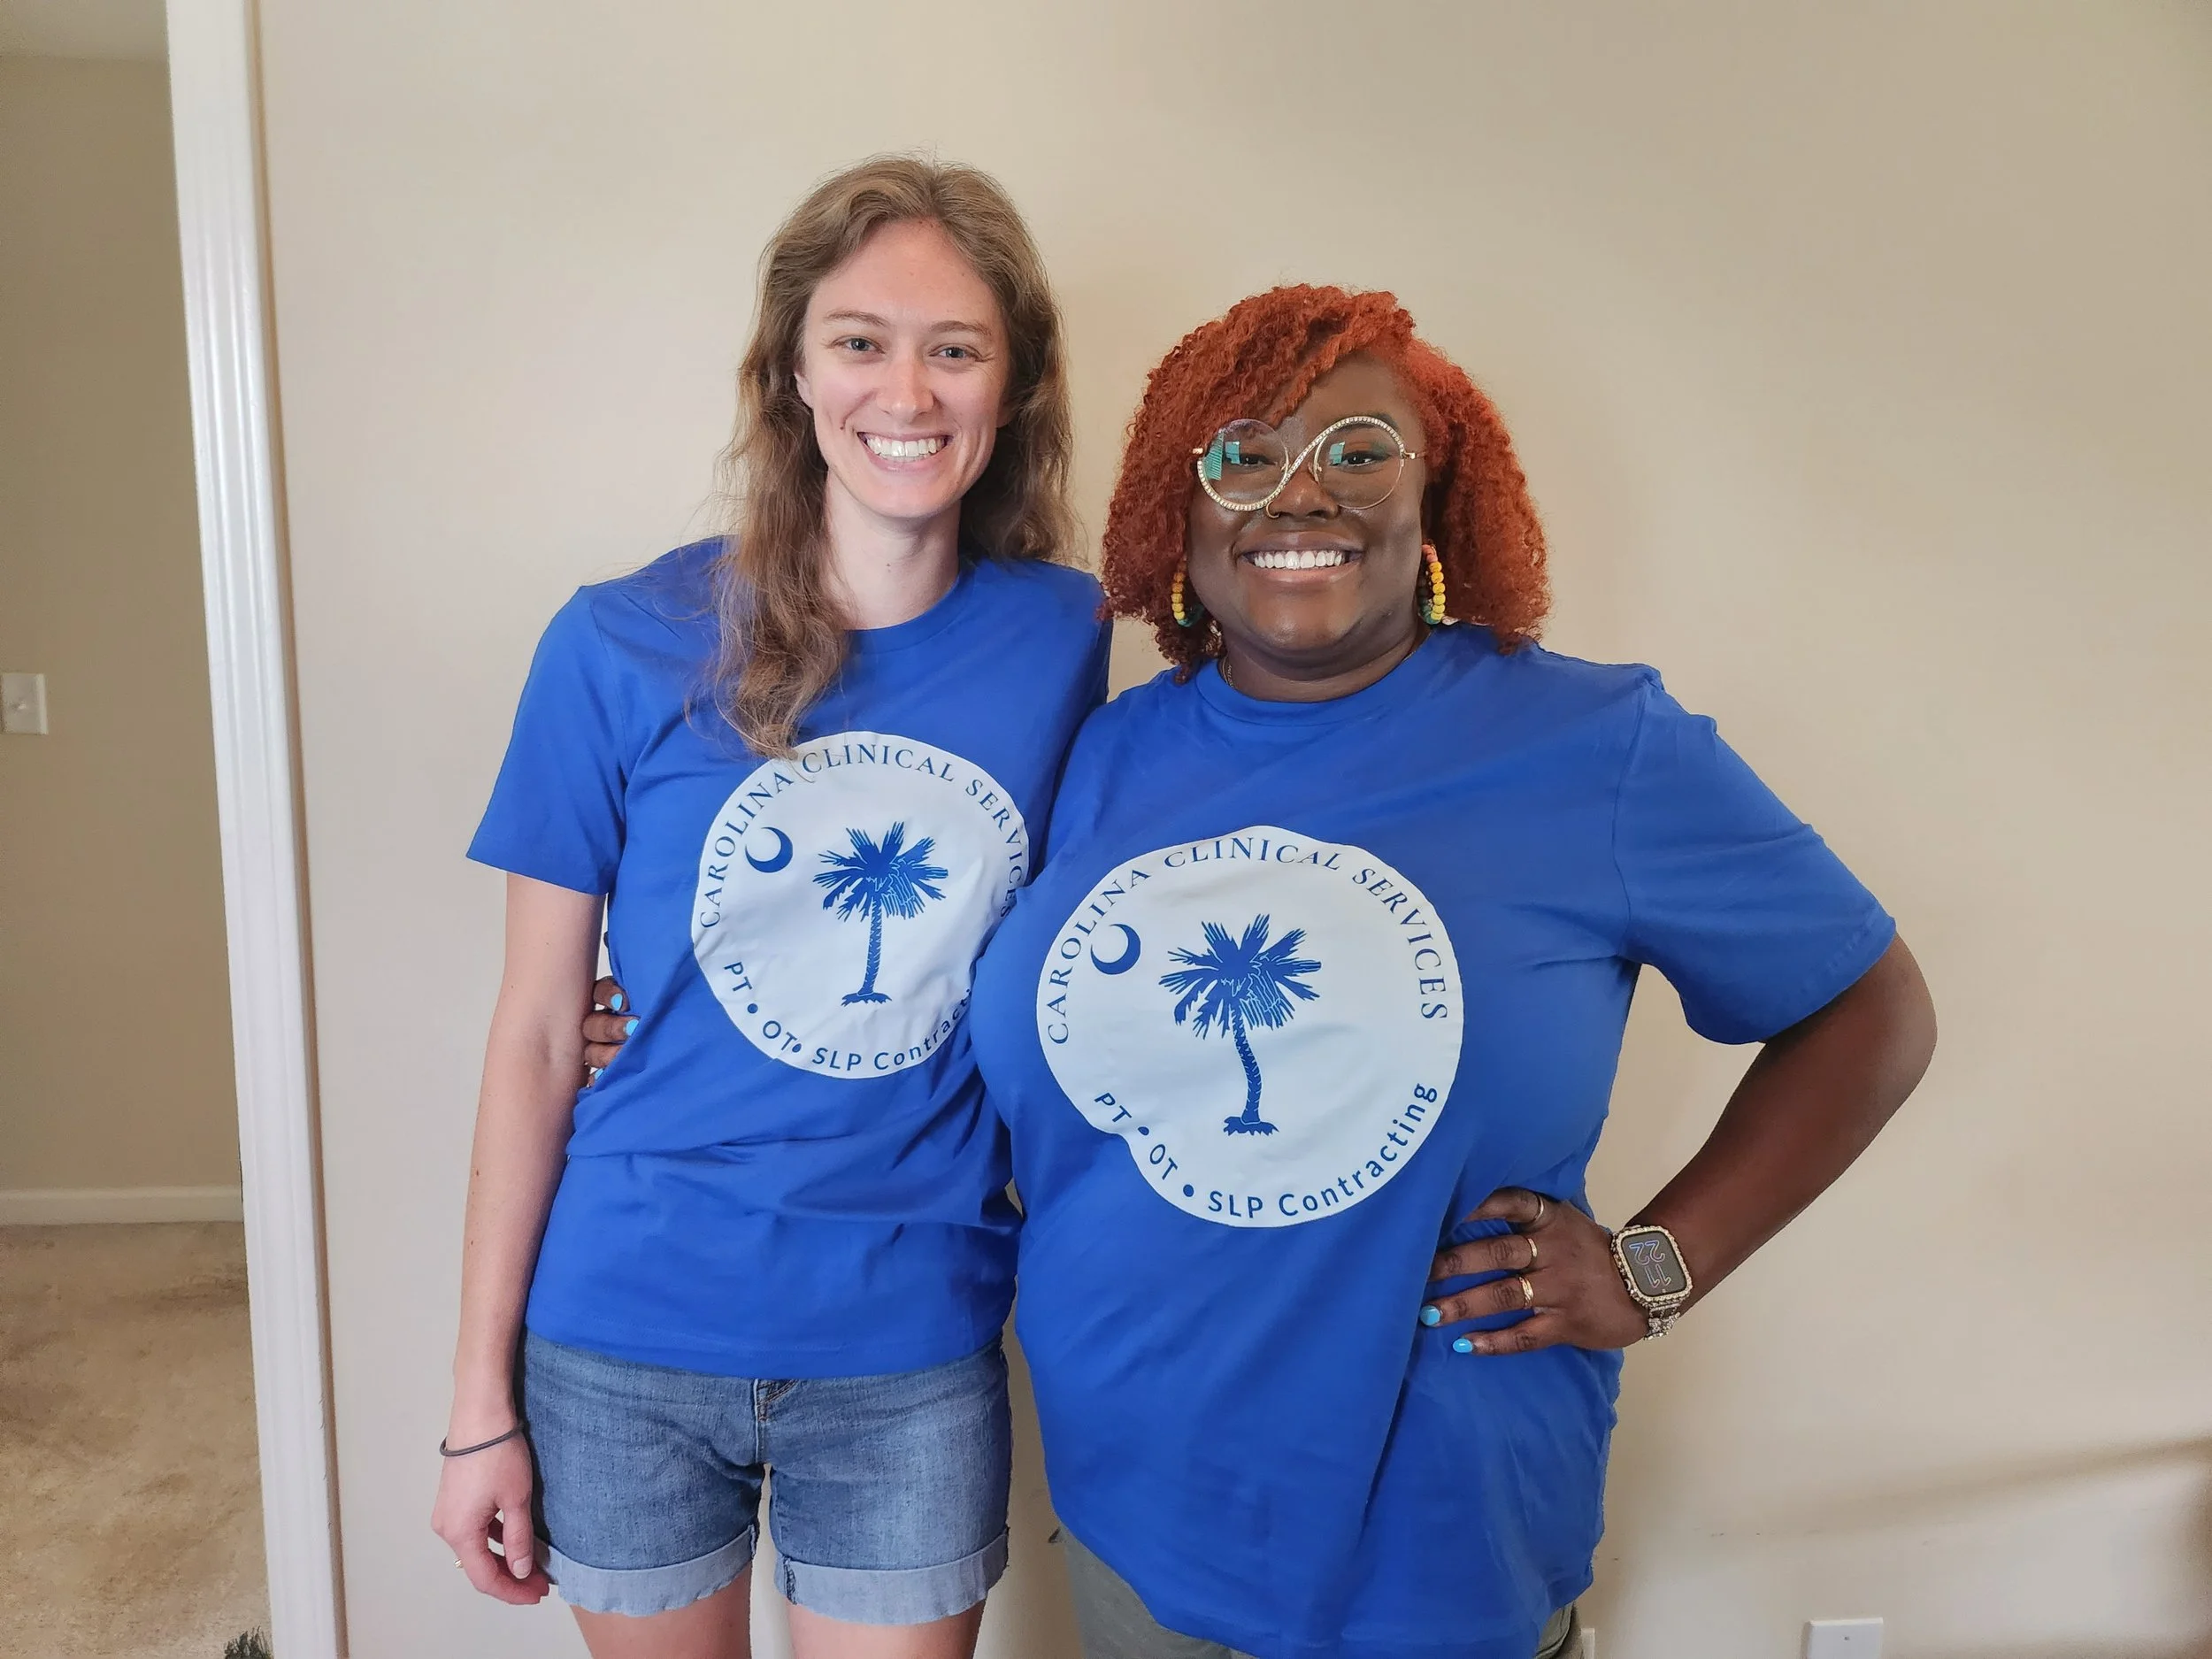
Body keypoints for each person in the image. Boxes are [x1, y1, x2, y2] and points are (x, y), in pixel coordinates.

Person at [581, 283, 1936, 1659]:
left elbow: (1869, 1006)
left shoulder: (1594, 745)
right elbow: (942, 948)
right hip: (1129, 1510)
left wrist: (1660, 1265)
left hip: (1433, 1537)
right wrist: (675, 1008)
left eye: (1360, 451)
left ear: (1441, 496)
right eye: (1243, 457)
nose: (1301, 496)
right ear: (1183, 513)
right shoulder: (1108, 750)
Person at [430, 155, 1109, 1659]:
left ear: (1013, 384)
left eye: (956, 347)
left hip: (910, 1340)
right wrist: (478, 1405)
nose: (908, 392)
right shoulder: (617, 644)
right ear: (792, 370)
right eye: (860, 341)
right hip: (621, 1334)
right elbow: (541, 1031)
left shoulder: (1072, 642)